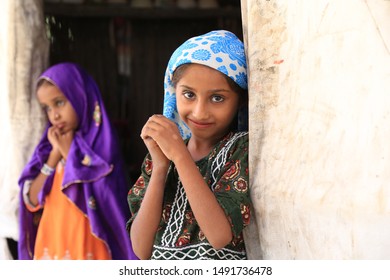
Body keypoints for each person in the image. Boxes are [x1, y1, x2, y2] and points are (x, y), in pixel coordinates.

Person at [127, 30, 251, 260]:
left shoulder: (241, 150)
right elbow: (140, 249)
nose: (199, 112)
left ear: (241, 101)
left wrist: (181, 157)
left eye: (217, 98)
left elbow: (219, 236)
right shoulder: (160, 156)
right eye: (189, 95)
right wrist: (161, 167)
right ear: (174, 94)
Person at [18, 62, 137, 260]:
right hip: (52, 244)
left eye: (59, 102)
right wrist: (55, 155)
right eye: (47, 108)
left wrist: (69, 154)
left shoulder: (100, 145)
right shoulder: (47, 148)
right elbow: (31, 200)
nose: (54, 115)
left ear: (80, 96)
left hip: (90, 244)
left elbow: (107, 200)